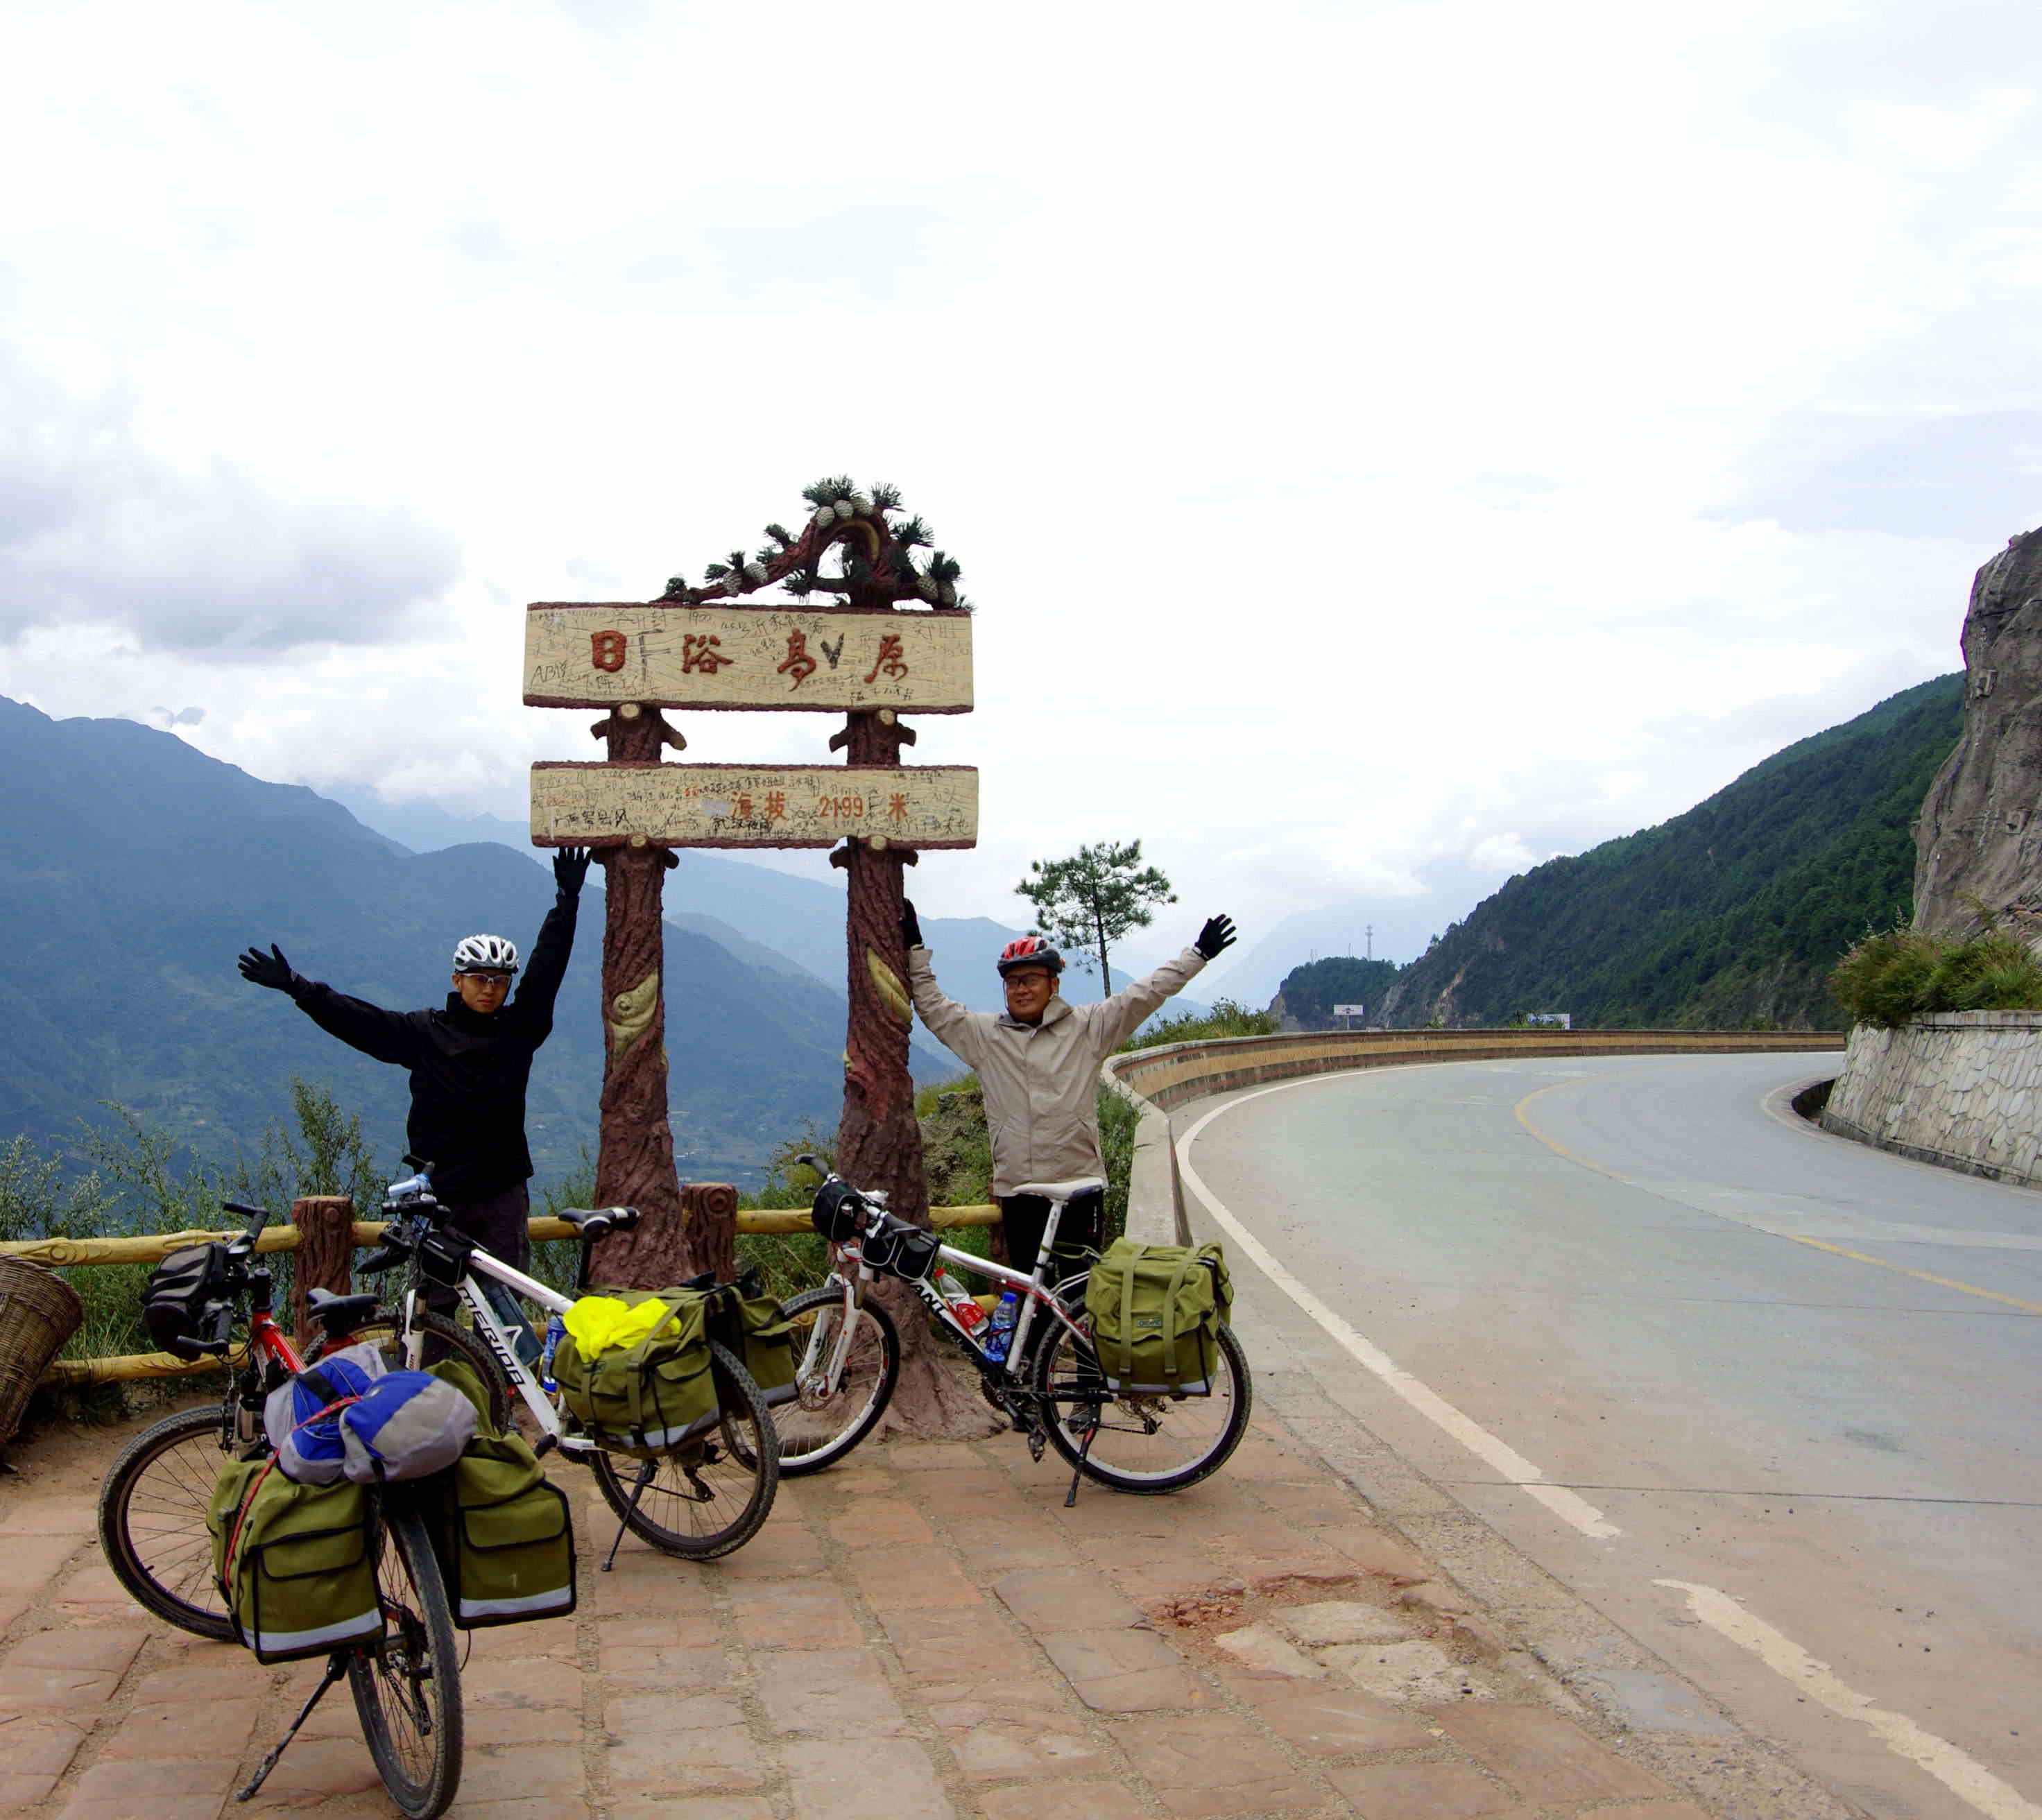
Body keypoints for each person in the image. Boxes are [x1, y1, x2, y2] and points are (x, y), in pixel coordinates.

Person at [237, 848, 592, 1341]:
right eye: (479, 979)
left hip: (503, 1188)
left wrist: (567, 900)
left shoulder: (520, 1028)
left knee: (506, 1299)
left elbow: (548, 968)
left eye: (500, 981)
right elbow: (357, 1021)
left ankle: (510, 1397)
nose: (490, 989)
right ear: (457, 980)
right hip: (439, 1195)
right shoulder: (423, 1033)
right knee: (435, 1303)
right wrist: (299, 987)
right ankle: (437, 1395)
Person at [901, 900, 1237, 1274]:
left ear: (1053, 984)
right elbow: (932, 1007)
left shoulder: (1088, 1027)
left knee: (1081, 1293)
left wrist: (1198, 954)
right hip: (1020, 1191)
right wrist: (915, 948)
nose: (1020, 989)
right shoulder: (985, 1036)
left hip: (1079, 1186)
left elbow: (1145, 995)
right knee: (1032, 1294)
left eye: (1030, 979)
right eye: (1012, 982)